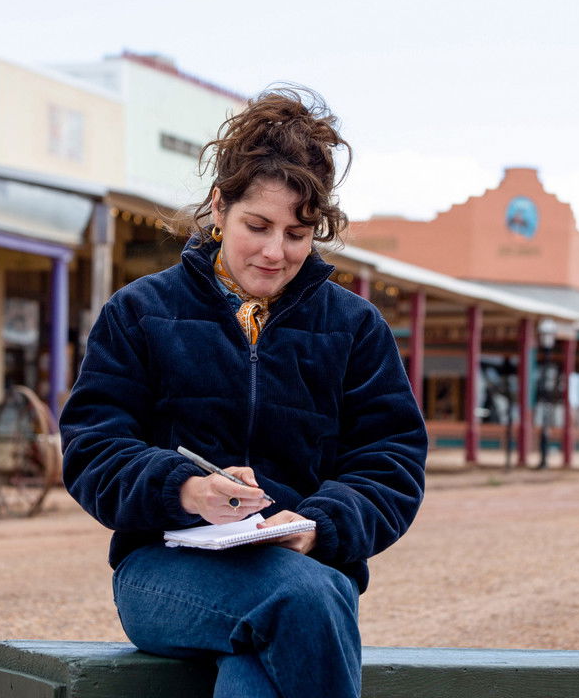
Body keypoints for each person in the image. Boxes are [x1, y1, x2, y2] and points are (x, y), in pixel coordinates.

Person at [58, 86, 428, 698]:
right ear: (218, 207)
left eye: (298, 233)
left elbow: (391, 461)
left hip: (305, 567)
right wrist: (186, 488)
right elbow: (92, 448)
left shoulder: (355, 328)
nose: (275, 251)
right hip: (163, 572)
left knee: (261, 665)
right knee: (307, 599)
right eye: (257, 225)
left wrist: (316, 526)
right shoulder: (140, 313)